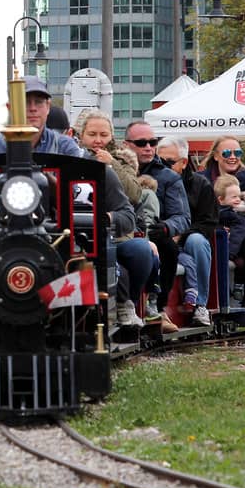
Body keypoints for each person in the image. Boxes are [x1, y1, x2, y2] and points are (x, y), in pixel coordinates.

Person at [73, 108, 154, 328]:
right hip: (79, 235)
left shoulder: (122, 159)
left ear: (111, 136)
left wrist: (112, 165)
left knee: (140, 251)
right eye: (92, 134)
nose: (98, 140)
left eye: (104, 135)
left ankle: (128, 304)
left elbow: (134, 195)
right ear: (80, 135)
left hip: (116, 234)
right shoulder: (71, 159)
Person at [123, 121, 190, 333]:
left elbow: (183, 217)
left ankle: (158, 308)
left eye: (153, 142)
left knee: (168, 247)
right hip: (119, 231)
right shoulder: (115, 169)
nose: (148, 147)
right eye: (141, 143)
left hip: (153, 233)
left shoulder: (169, 177)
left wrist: (166, 227)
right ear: (126, 144)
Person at [199, 135, 245, 317]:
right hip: (213, 228)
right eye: (227, 152)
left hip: (243, 229)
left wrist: (238, 230)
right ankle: (207, 301)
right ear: (216, 156)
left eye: (238, 153)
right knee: (209, 241)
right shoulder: (202, 179)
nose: (233, 157)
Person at [157, 136, 216, 327]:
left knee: (197, 241)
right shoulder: (150, 180)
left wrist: (180, 233)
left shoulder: (201, 184)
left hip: (188, 238)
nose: (163, 167)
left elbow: (209, 223)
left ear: (183, 162)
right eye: (159, 161)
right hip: (160, 236)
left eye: (169, 162)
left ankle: (200, 305)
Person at [0, 77, 82, 157]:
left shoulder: (64, 147)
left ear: (48, 107)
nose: (33, 108)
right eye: (25, 102)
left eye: (38, 102)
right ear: (10, 108)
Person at [214, 175, 245, 305]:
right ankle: (230, 289)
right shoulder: (227, 213)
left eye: (239, 196)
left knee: (243, 262)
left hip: (234, 249)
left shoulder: (240, 212)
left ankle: (238, 287)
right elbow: (237, 233)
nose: (238, 199)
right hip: (228, 249)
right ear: (221, 200)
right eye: (234, 197)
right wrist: (230, 253)